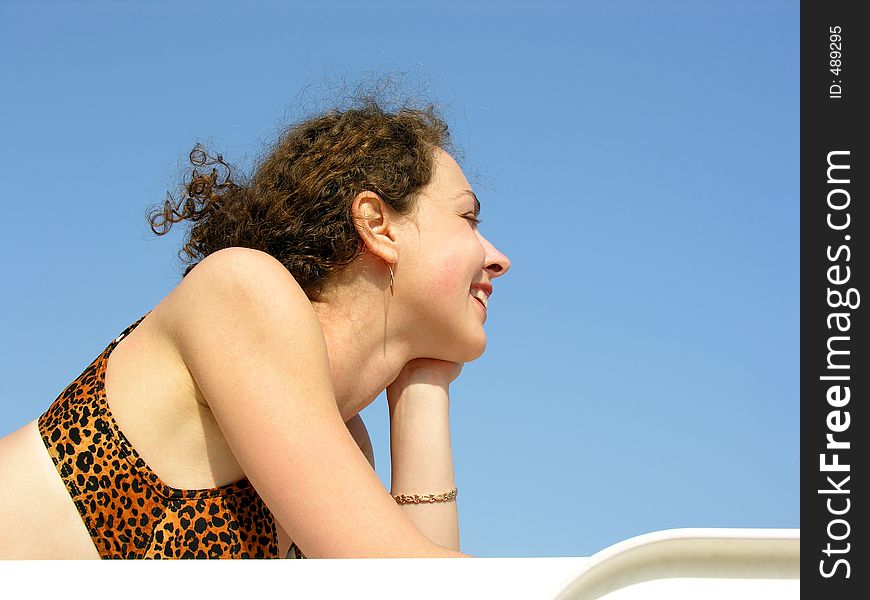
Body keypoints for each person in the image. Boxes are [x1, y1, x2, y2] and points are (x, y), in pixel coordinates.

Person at [0, 99, 510, 559]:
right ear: (377, 224)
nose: (499, 260)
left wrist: (423, 389)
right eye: (469, 218)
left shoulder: (347, 440)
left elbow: (414, 583)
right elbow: (403, 579)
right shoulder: (241, 290)